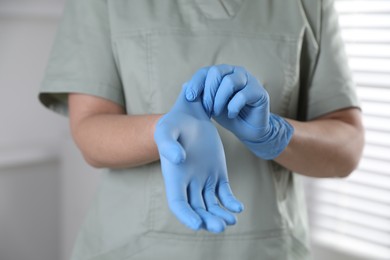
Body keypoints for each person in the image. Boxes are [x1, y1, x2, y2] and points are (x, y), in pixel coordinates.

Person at [39, 0, 364, 259]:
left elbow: (347, 146)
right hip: (132, 249)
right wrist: (166, 130)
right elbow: (89, 131)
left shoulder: (309, 5)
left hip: (268, 250)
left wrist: (274, 134)